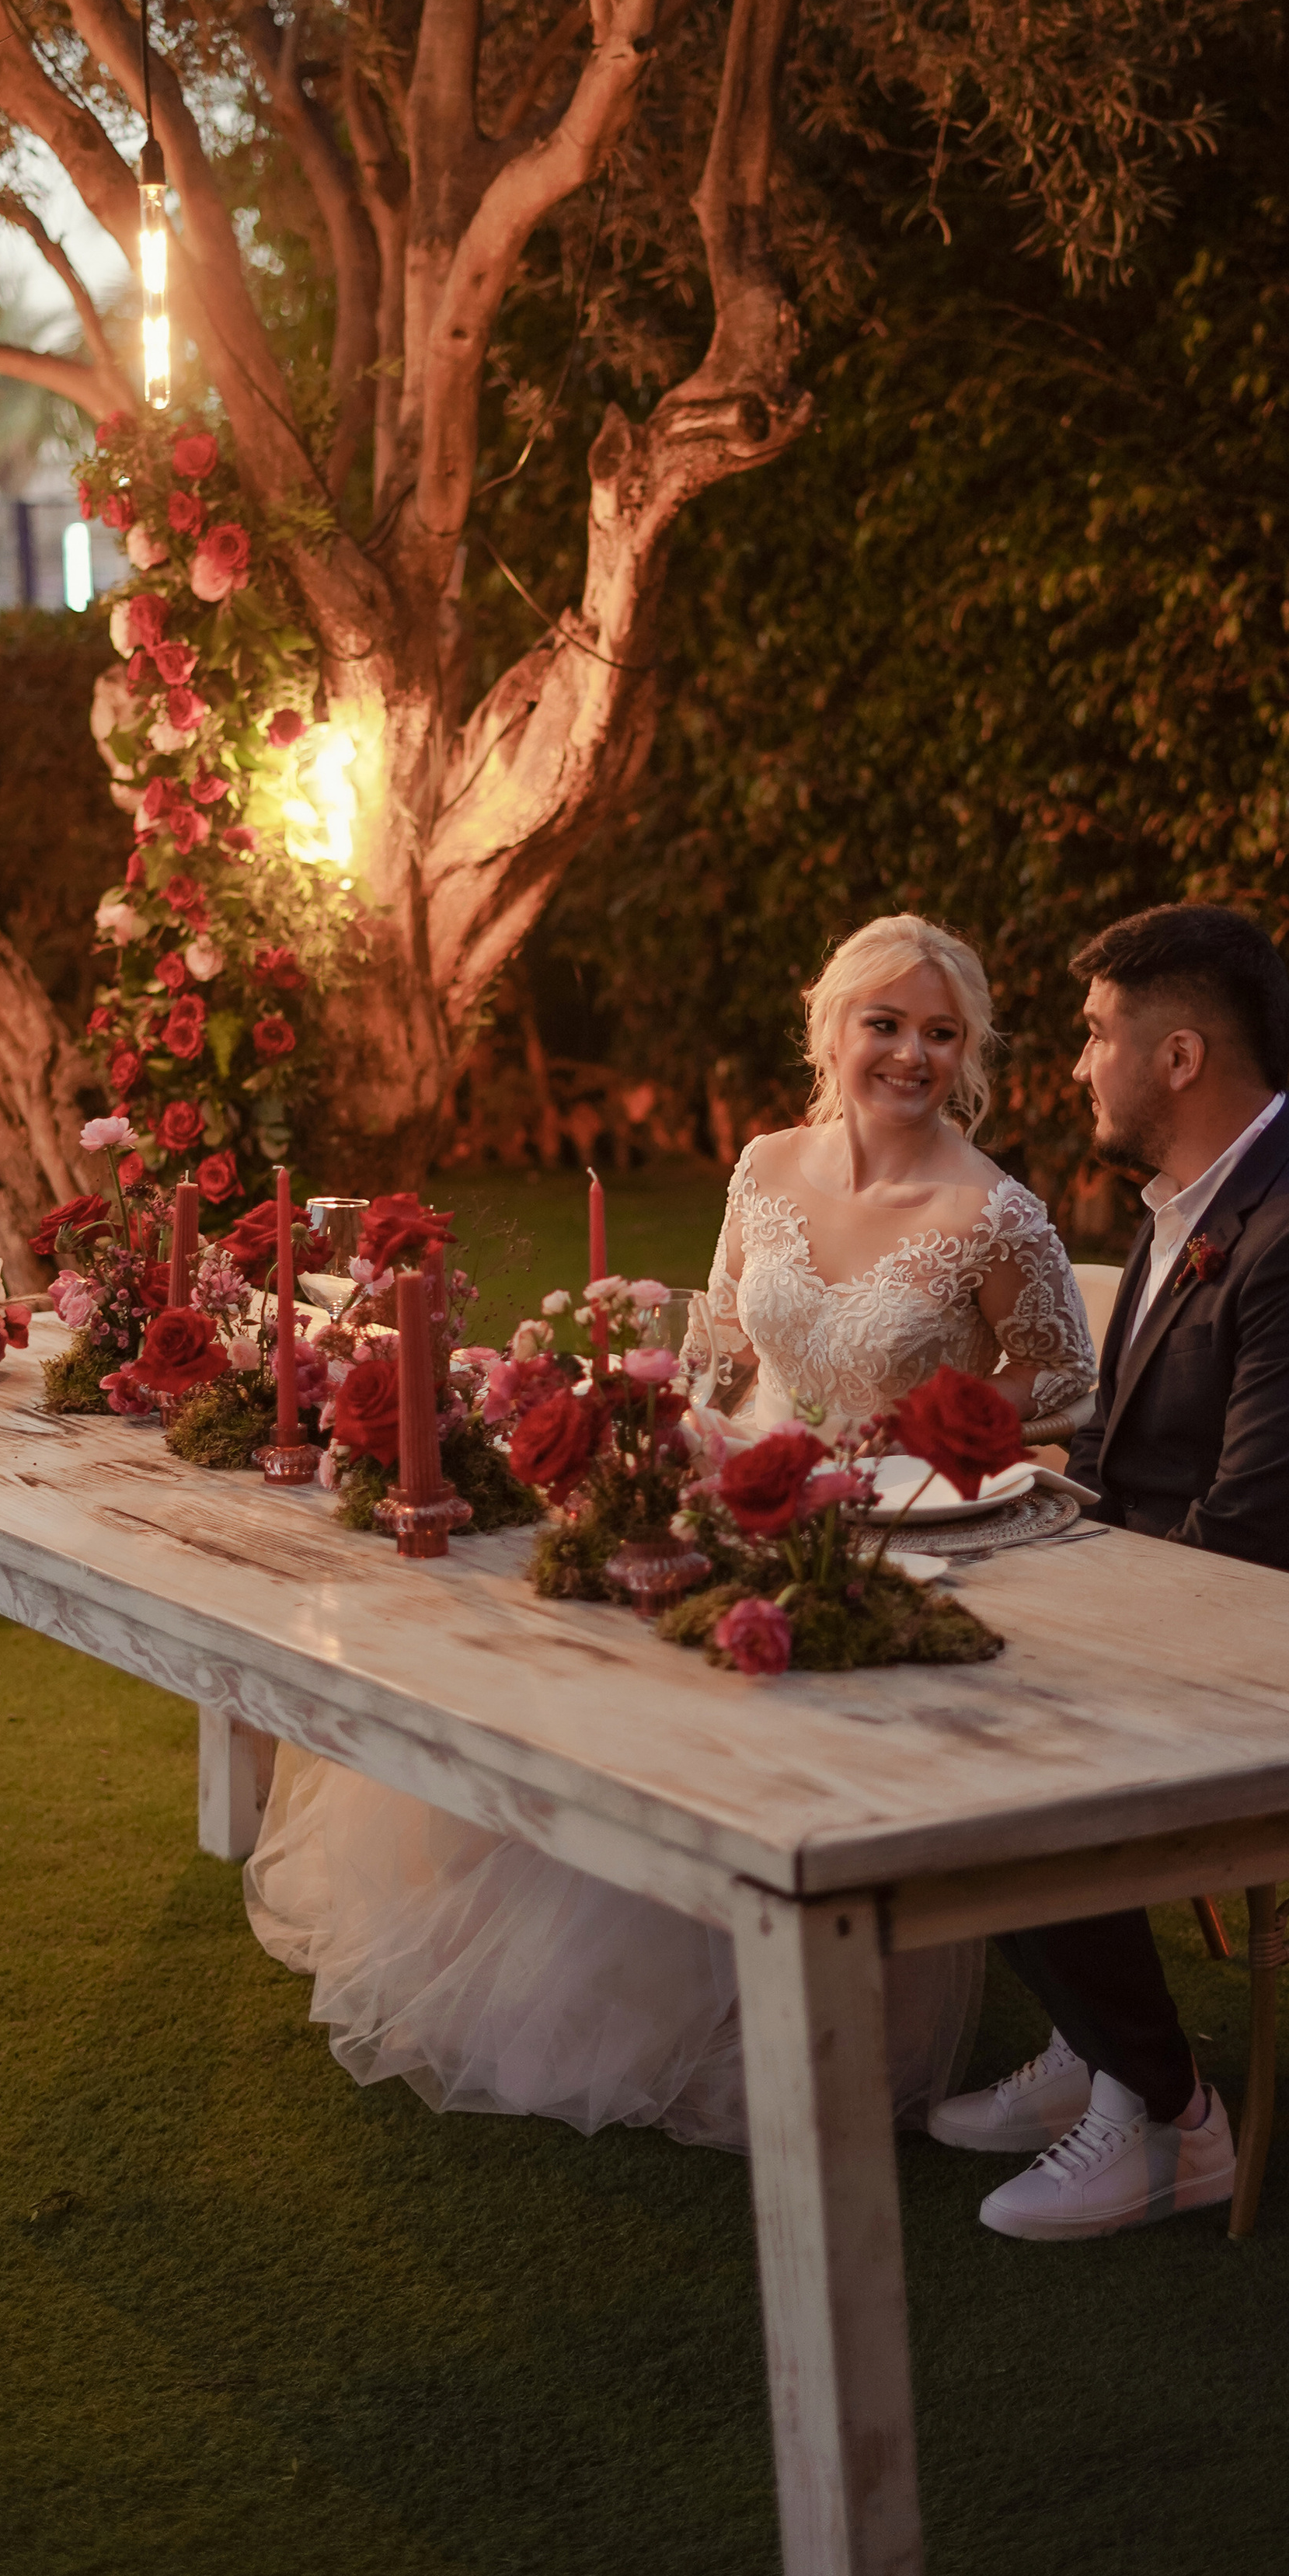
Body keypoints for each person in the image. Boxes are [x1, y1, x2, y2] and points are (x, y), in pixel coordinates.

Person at [244, 911, 1097, 2148]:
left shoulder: (996, 1213)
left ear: (968, 1052)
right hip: (729, 1488)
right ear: (832, 1029)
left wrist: (948, 1422)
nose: (911, 1053)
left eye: (940, 1033)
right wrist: (660, 1460)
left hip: (881, 1527)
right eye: (886, 1024)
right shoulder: (762, 1166)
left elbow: (1061, 1380)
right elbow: (719, 1347)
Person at [930, 902, 1289, 2240]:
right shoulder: (1206, 1201)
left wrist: (1053, 1603)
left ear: (1178, 1058)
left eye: (1094, 1036)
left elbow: (1250, 1538)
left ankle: (1172, 2121)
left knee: (987, 1737)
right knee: (933, 1655)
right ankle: (1098, 2043)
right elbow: (1145, 1460)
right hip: (1250, 1592)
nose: (1077, 1067)